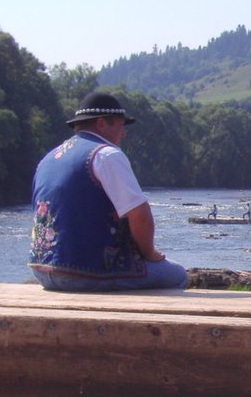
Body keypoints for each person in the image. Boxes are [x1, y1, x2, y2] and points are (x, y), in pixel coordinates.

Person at [28, 92, 187, 291]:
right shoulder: (107, 155)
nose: (124, 133)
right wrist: (149, 253)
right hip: (87, 272)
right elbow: (140, 216)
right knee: (178, 275)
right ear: (102, 124)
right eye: (121, 125)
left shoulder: (48, 158)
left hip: (41, 271)